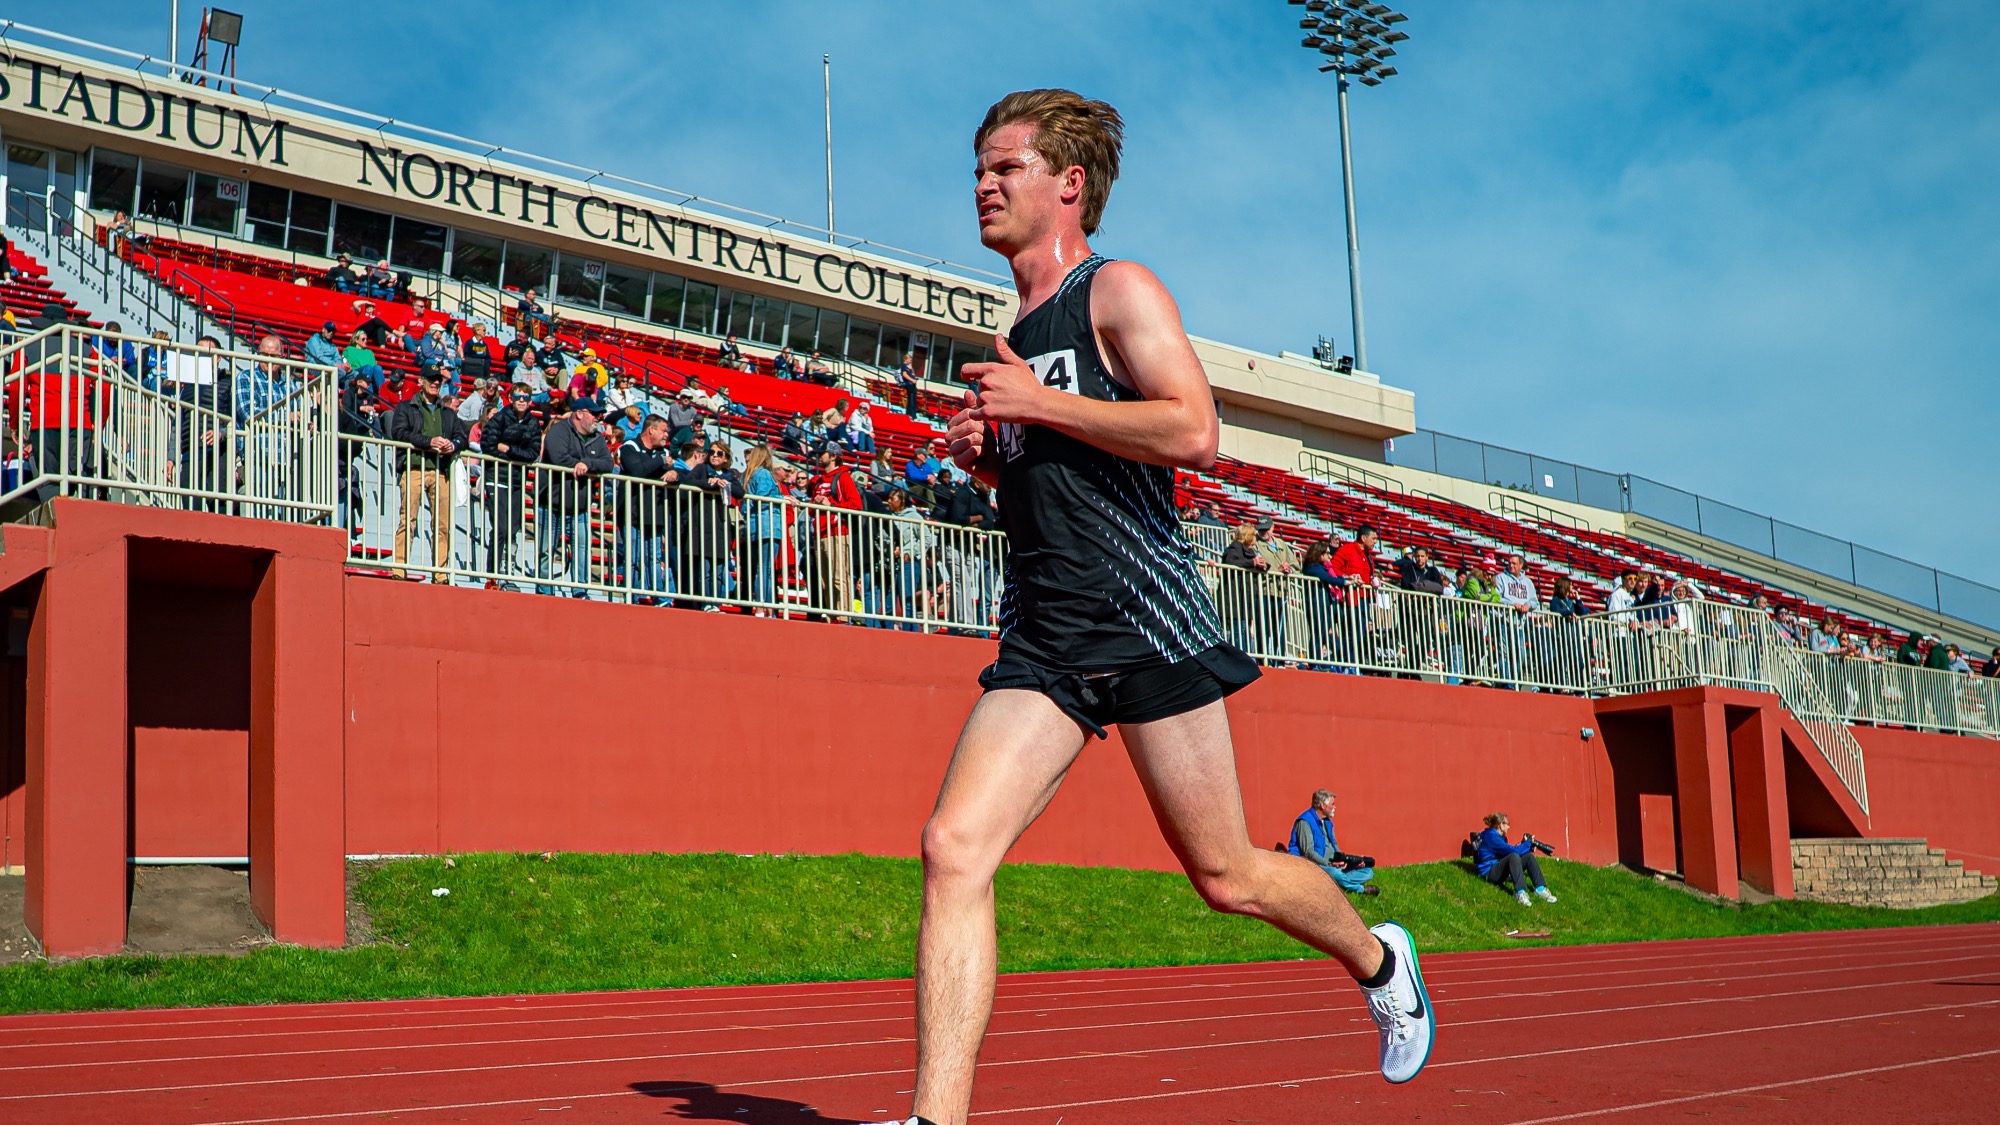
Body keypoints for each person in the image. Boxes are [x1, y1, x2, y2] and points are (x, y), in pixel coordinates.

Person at [877, 90, 1432, 1125]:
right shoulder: (1014, 326)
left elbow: (1192, 431)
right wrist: (996, 459)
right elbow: (1068, 462)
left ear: (1066, 184)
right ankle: (935, 1119)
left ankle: (1373, 956)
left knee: (1225, 876)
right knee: (952, 848)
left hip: (1144, 619)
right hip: (1045, 632)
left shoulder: (1114, 289)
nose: (982, 186)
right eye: (978, 172)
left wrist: (1036, 405)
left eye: (1004, 168)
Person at [384, 367, 470, 582]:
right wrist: (428, 442)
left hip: (441, 472)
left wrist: (453, 445)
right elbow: (399, 432)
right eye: (431, 379)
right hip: (414, 468)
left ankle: (440, 574)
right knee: (408, 520)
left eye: (438, 380)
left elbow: (462, 437)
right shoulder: (406, 407)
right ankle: (399, 568)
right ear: (421, 381)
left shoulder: (448, 412)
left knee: (442, 524)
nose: (435, 383)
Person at [538, 396, 615, 595]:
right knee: (546, 550)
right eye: (594, 414)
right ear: (579, 414)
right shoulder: (559, 431)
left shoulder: (597, 437)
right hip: (552, 503)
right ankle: (545, 590)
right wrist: (581, 463)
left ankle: (580, 591)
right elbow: (558, 457)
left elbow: (608, 463)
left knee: (582, 551)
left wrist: (587, 465)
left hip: (580, 507)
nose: (598, 418)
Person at [482, 382, 543, 584]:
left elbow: (532, 454)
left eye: (526, 398)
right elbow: (488, 444)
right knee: (500, 528)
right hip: (497, 478)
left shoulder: (533, 423)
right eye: (518, 397)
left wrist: (508, 450)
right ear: (511, 399)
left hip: (517, 480)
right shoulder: (500, 417)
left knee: (513, 528)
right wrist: (514, 454)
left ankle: (508, 573)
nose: (522, 401)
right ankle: (493, 575)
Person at [1286, 789, 1378, 895]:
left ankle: (1337, 885)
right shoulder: (1305, 822)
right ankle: (1359, 889)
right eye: (1332, 804)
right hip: (1315, 866)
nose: (1335, 807)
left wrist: (1344, 861)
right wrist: (1329, 864)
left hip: (1333, 865)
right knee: (1336, 873)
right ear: (1322, 805)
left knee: (1367, 872)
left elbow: (1334, 845)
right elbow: (1308, 853)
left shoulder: (1327, 822)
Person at [1473, 812, 1558, 907]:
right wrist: (1527, 843)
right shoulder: (1492, 837)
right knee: (1513, 856)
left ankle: (1540, 889)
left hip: (1497, 867)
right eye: (1508, 824)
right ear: (1501, 825)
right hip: (1488, 872)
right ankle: (1520, 892)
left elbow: (1508, 851)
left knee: (1528, 857)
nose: (1509, 827)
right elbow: (1512, 852)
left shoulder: (1500, 837)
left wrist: (1524, 846)